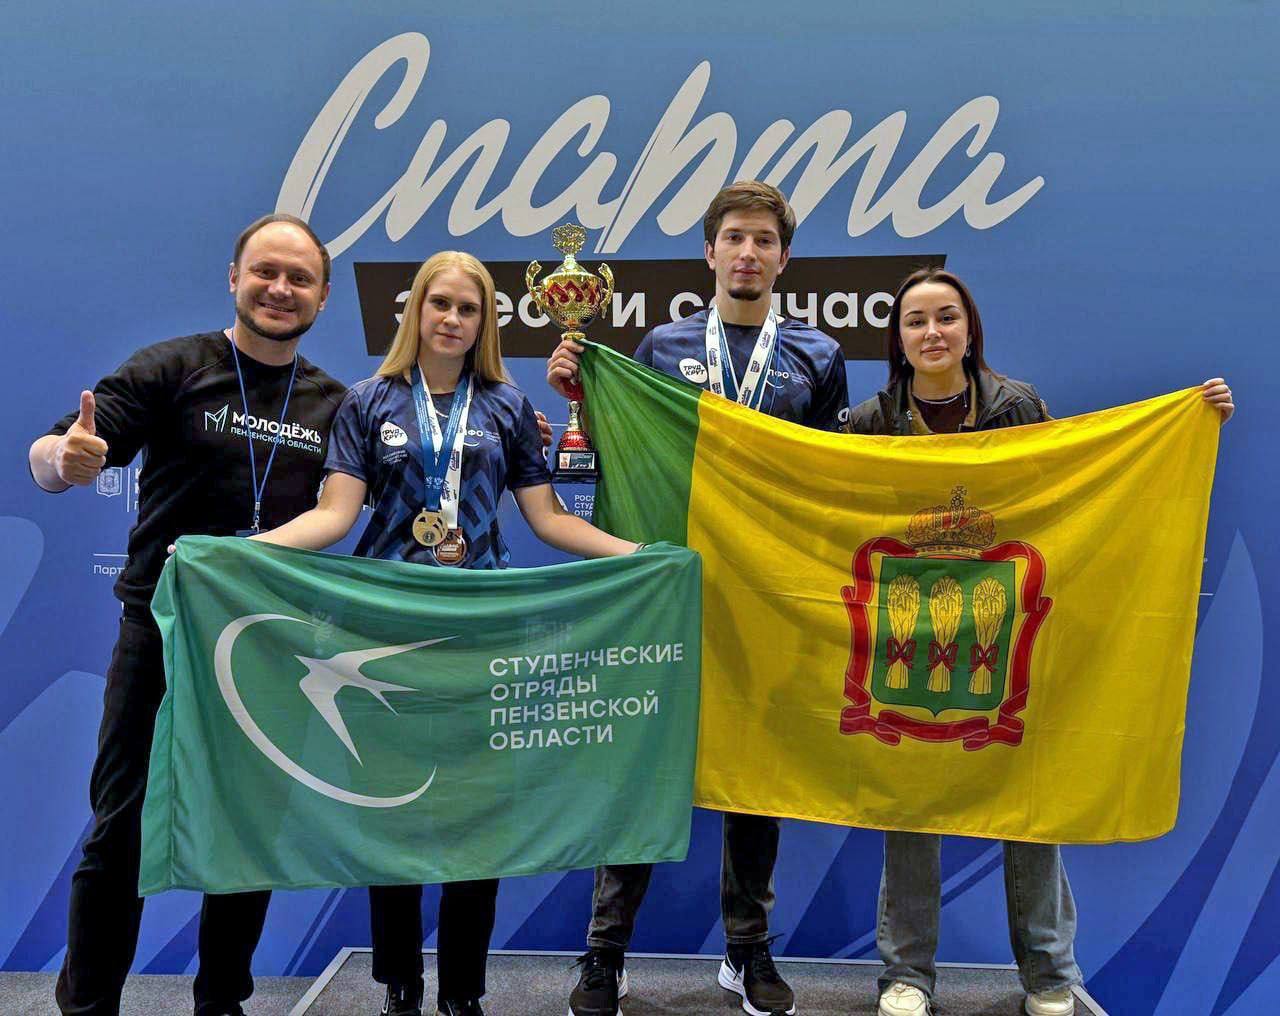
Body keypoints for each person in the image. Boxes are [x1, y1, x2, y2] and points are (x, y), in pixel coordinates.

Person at [251, 250, 640, 1016]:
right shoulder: (367, 402)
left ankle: (463, 990)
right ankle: (400, 981)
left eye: (469, 308)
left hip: (480, 635)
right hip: (387, 633)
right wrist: (237, 553)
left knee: (476, 820)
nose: (453, 319)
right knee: (394, 813)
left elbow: (547, 518)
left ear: (484, 321)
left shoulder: (505, 405)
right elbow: (333, 515)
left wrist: (641, 556)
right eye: (441, 304)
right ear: (415, 311)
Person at [847, 267, 1234, 1016]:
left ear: (969, 329)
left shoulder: (1016, 406)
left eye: (946, 317)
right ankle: (906, 975)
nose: (932, 332)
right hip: (907, 639)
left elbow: (1068, 489)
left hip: (1006, 629)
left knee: (1030, 804)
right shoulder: (869, 421)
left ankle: (1051, 977)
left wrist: (1192, 419)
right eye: (915, 320)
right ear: (897, 339)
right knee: (909, 807)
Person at [28, 214, 347, 1015]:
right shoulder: (173, 367)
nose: (280, 289)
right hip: (160, 634)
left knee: (245, 832)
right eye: (265, 271)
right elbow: (56, 453)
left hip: (265, 645)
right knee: (121, 826)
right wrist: (62, 459)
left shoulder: (334, 404)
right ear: (234, 278)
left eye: (300, 278)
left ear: (323, 296)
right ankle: (88, 1005)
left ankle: (222, 1003)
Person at [547, 180, 850, 1016]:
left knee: (756, 776)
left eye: (764, 240)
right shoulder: (662, 344)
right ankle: (605, 953)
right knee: (643, 763)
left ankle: (747, 950)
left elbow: (833, 479)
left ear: (784, 258)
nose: (748, 253)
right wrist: (582, 400)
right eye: (735, 238)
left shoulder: (819, 356)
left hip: (766, 595)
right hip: (672, 587)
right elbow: (628, 451)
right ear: (710, 252)